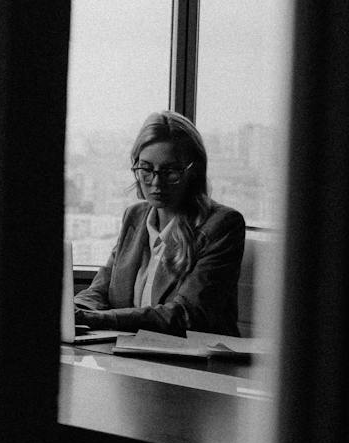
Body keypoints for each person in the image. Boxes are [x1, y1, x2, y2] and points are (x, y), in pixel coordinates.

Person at [74, 110, 245, 337]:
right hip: (132, 359)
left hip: (198, 368)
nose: (156, 182)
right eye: (146, 169)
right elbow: (99, 291)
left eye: (171, 171)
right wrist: (72, 311)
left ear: (193, 172)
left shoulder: (222, 225)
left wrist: (98, 319)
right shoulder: (135, 217)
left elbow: (187, 315)